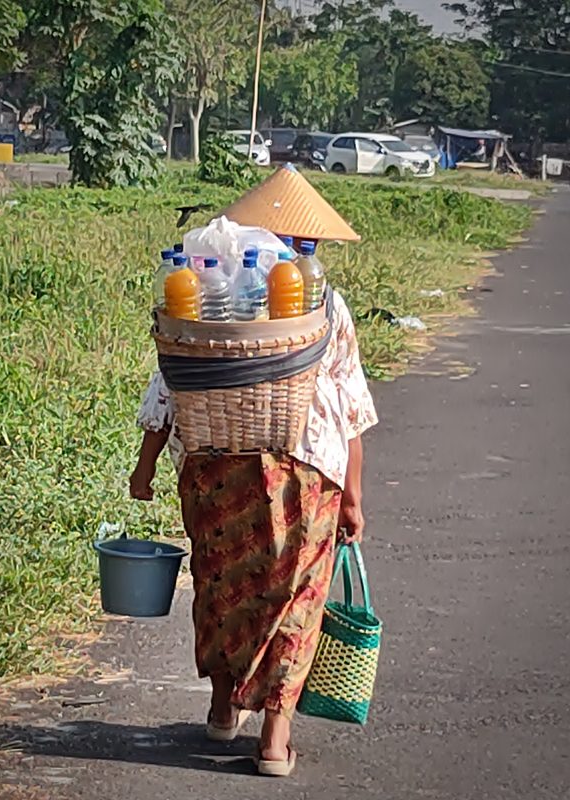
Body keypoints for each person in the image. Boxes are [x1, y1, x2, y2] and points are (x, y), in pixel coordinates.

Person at [129, 289, 378, 777]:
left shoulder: (204, 297)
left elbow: (169, 384)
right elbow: (349, 402)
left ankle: (223, 710)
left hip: (213, 464)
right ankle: (274, 740)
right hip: (304, 467)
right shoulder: (320, 302)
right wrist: (352, 498)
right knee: (297, 595)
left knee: (221, 585)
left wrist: (145, 468)